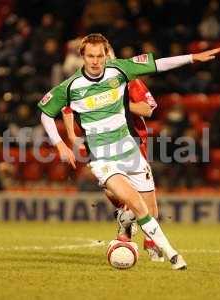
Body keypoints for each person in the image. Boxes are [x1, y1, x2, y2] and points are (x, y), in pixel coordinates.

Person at [38, 33, 220, 270]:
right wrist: (61, 144)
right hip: (103, 159)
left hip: (131, 152)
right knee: (134, 202)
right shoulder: (71, 86)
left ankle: (129, 223)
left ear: (106, 55)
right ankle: (173, 256)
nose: (95, 61)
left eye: (99, 56)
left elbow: (158, 64)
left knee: (151, 211)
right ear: (82, 56)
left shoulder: (120, 70)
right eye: (90, 56)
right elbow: (46, 113)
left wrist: (192, 58)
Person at [61, 46, 163, 262]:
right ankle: (126, 218)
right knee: (112, 190)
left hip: (133, 141)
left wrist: (119, 102)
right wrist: (71, 135)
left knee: (148, 203)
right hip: (101, 144)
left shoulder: (128, 79)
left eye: (104, 56)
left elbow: (148, 109)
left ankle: (148, 239)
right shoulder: (82, 84)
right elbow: (65, 107)